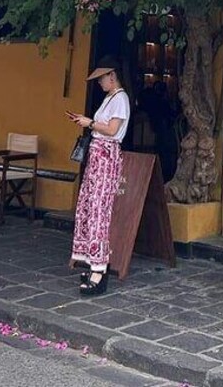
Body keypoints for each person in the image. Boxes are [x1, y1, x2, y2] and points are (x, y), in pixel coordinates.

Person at [68, 56, 130, 295]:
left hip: (106, 154)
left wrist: (90, 122)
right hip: (97, 155)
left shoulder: (121, 99)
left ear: (112, 76)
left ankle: (100, 267)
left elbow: (113, 130)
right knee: (88, 205)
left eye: (102, 78)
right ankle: (91, 261)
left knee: (99, 209)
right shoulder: (110, 98)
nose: (100, 83)